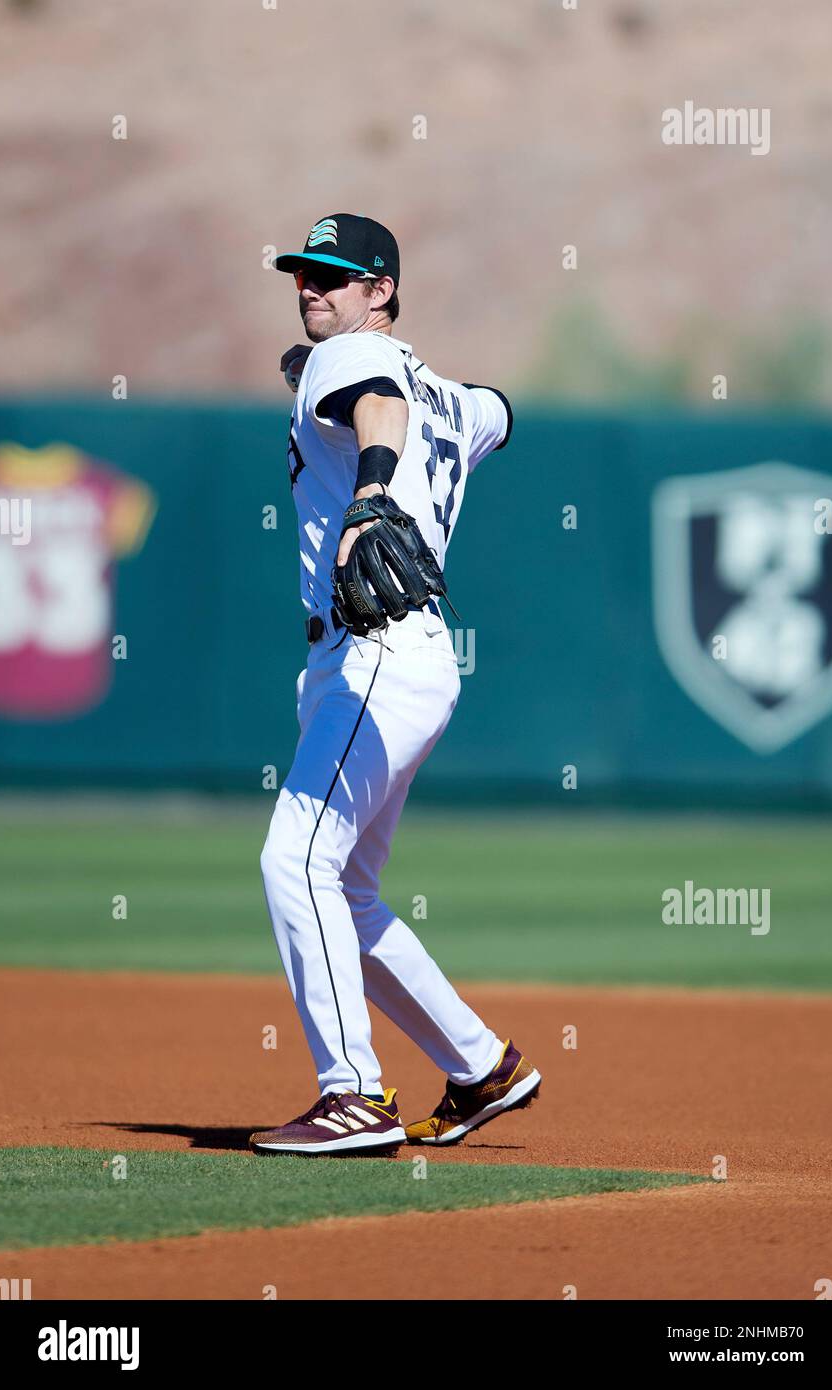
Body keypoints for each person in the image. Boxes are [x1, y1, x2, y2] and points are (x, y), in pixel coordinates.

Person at [250, 214, 541, 1156]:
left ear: (382, 292)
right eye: (304, 272)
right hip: (412, 661)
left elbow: (377, 400)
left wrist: (372, 489)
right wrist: (351, 380)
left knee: (294, 864)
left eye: (336, 276)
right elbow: (498, 407)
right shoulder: (450, 399)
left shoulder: (353, 364)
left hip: (370, 655)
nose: (312, 287)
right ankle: (480, 1064)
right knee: (351, 892)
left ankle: (353, 1096)